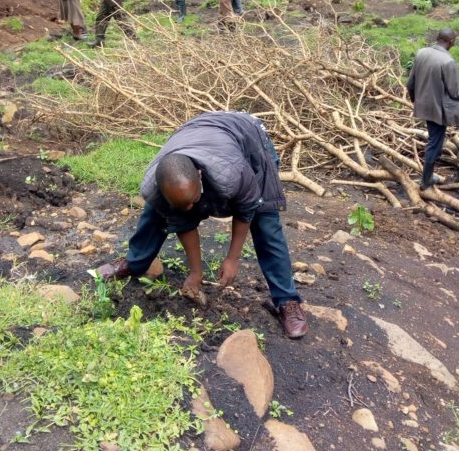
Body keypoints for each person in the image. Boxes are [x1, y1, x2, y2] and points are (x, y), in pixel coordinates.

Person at [94, 111, 308, 339]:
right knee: (156, 212)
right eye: (182, 205)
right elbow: (183, 223)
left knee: (266, 220)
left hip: (247, 137)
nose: (189, 210)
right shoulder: (153, 187)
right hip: (198, 135)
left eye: (193, 201)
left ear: (200, 175)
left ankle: (287, 300)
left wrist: (232, 258)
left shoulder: (233, 173)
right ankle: (135, 263)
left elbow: (246, 210)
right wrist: (196, 273)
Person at [406, 28, 459, 189]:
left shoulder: (421, 52)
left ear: (438, 39)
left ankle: (426, 179)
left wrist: (417, 103)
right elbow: (456, 93)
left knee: (434, 142)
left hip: (425, 106)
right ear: (451, 42)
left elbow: (410, 84)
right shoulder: (447, 62)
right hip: (442, 108)